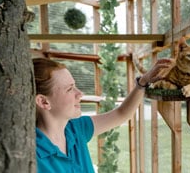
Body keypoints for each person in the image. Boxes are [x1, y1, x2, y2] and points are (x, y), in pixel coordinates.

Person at [33, 57, 171, 173]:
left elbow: (121, 114)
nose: (80, 93)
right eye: (70, 89)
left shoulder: (76, 129)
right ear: (44, 102)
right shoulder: (30, 154)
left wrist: (142, 83)